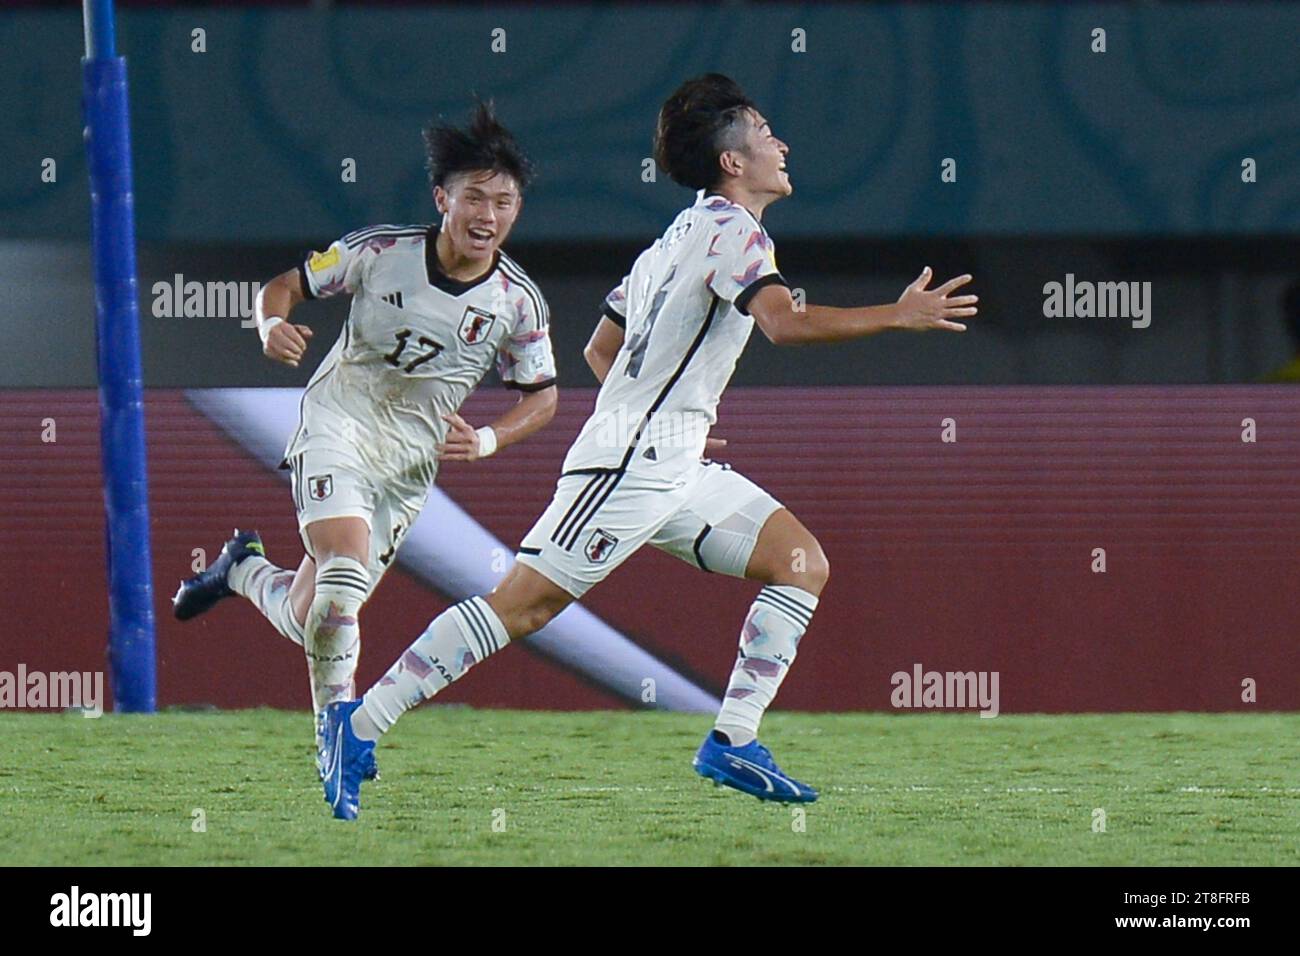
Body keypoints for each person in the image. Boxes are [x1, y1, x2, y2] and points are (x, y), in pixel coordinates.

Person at [322, 74, 977, 820]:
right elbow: (784, 324)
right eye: (765, 133)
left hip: (667, 456)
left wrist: (676, 411)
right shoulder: (735, 232)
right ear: (732, 161)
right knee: (523, 607)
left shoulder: (678, 233)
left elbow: (602, 347)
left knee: (800, 563)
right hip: (629, 465)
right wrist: (898, 314)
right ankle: (359, 724)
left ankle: (732, 740)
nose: (781, 144)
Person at [172, 102, 559, 779]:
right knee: (344, 578)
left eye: (504, 202)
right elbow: (284, 287)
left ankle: (241, 570)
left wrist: (492, 441)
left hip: (406, 469)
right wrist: (269, 326)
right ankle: (338, 738)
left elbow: (543, 397)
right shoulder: (379, 253)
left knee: (315, 615)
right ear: (443, 199)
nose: (488, 215)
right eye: (475, 196)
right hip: (338, 425)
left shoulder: (517, 303)